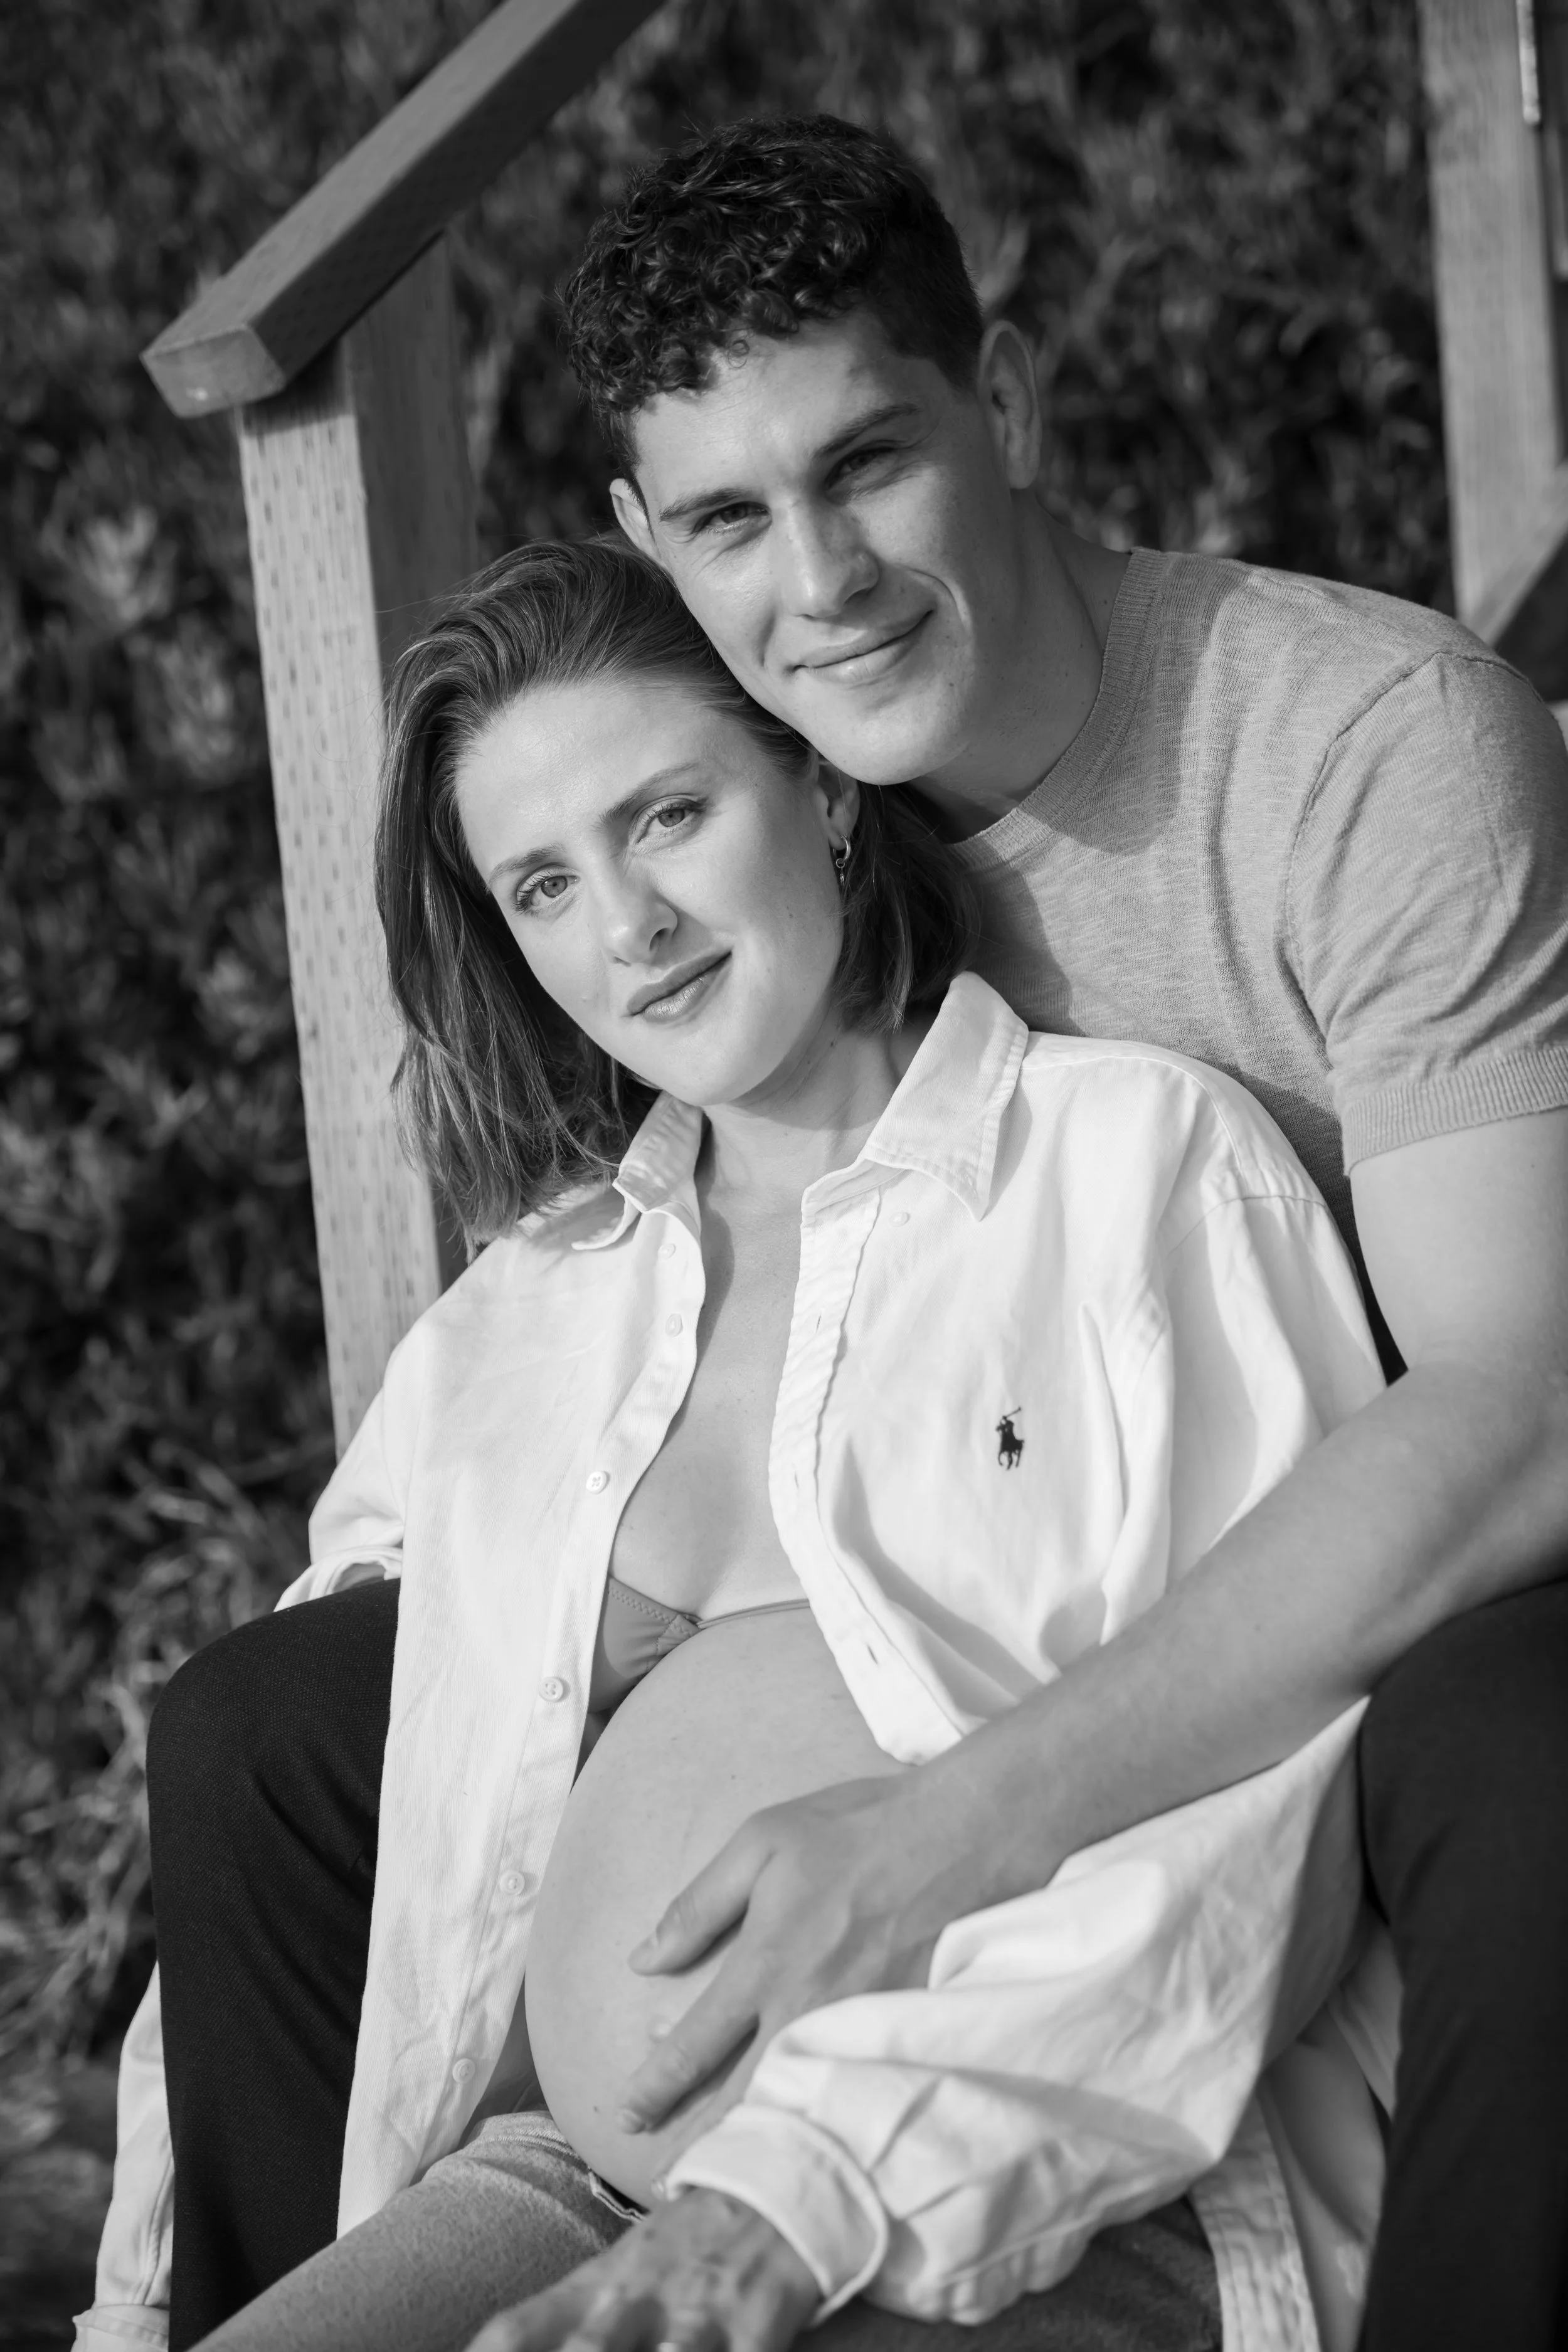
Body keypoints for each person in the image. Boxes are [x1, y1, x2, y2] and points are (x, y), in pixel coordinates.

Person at [80, 115, 1568, 2352]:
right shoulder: (599, 1217)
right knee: (273, 1718)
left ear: (1011, 404)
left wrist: (929, 1848)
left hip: (1322, 1700)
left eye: (866, 462)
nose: (823, 578)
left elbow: (1514, 1405)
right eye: (724, 521)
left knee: (1504, 1752)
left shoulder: (1332, 790)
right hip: (590, 2139)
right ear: (649, 545)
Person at [164, 535, 1382, 2352]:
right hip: (560, 2186)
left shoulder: (1135, 1168)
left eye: (667, 816)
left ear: (819, 787)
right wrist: (137, 2303)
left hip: (1070, 2193)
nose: (627, 928)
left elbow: (1280, 1787)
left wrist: (791, 2194)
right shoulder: (515, 1327)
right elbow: (282, 1820)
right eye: (544, 885)